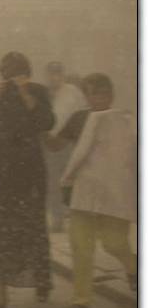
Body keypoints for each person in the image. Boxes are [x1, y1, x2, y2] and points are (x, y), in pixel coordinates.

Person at [0, 51, 55, 308]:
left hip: (29, 176)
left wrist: (26, 94)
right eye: (7, 73)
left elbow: (46, 122)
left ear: (27, 73)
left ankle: (41, 279)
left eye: (18, 73)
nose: (11, 78)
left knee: (34, 231)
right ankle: (1, 297)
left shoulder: (38, 92)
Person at [46, 73, 136, 308]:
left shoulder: (125, 121)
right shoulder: (79, 119)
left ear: (111, 94)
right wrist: (40, 126)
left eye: (102, 92)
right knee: (80, 247)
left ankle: (135, 268)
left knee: (114, 243)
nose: (98, 98)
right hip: (83, 194)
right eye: (92, 93)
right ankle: (81, 300)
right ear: (86, 96)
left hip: (115, 195)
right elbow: (56, 145)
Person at [40, 61, 87, 233]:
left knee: (70, 180)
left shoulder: (72, 92)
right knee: (53, 182)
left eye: (57, 73)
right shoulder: (43, 94)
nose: (54, 77)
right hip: (49, 144)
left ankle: (73, 215)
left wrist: (75, 138)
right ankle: (57, 217)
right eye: (51, 74)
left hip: (68, 143)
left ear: (62, 74)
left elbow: (82, 114)